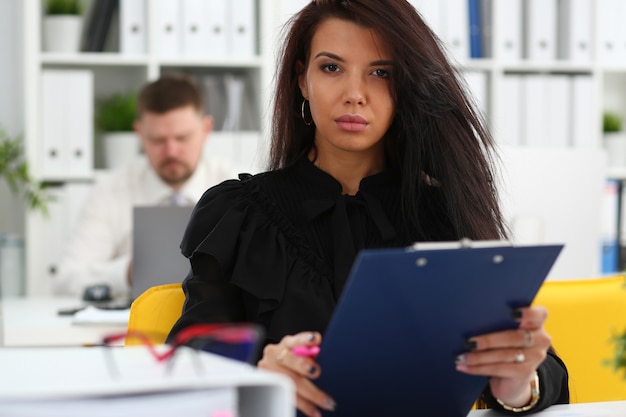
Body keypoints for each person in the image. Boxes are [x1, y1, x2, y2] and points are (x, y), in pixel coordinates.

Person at [167, 1, 569, 416]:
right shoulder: (240, 214)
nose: (355, 95)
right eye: (331, 68)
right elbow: (189, 361)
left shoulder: (446, 211)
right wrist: (260, 377)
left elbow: (545, 371)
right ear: (301, 80)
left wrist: (518, 383)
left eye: (381, 73)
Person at [54, 73, 238, 298]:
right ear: (140, 134)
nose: (171, 151)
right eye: (158, 140)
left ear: (206, 129)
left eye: (182, 138)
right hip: (134, 326)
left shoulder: (236, 188)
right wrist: (128, 272)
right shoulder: (110, 190)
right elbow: (66, 279)